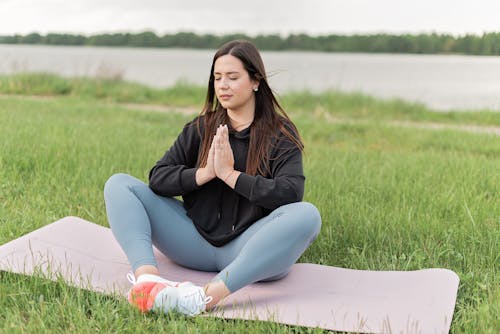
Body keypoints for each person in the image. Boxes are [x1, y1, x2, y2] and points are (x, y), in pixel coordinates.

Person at [103, 39, 321, 316]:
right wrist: (206, 173)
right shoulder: (201, 127)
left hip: (247, 250)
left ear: (256, 81)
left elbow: (290, 192)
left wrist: (231, 176)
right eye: (217, 78)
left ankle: (203, 298)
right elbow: (158, 177)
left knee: (307, 215)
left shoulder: (280, 133)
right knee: (119, 185)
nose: (223, 85)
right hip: (192, 241)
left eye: (232, 77)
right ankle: (148, 281)